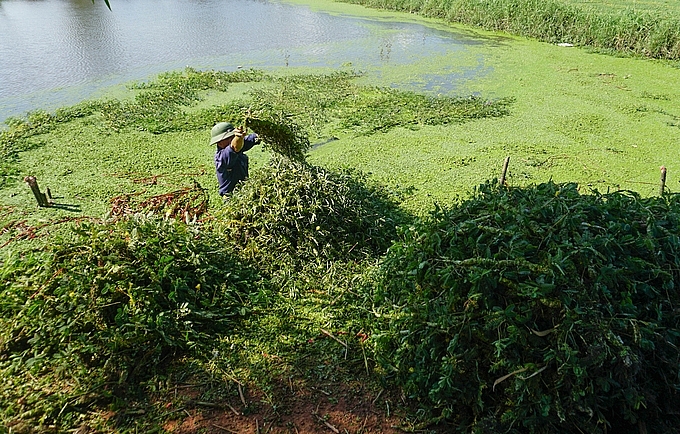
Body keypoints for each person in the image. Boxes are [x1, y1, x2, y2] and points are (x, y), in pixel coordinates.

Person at [210, 122, 260, 196]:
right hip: (231, 197)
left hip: (245, 191)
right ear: (220, 142)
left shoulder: (239, 144)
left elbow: (253, 138)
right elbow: (234, 147)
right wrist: (238, 137)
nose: (232, 138)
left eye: (233, 136)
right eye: (230, 137)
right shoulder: (222, 157)